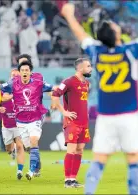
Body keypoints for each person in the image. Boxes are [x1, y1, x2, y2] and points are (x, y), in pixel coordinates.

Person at [60, 1, 138, 194]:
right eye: (113, 25)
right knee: (133, 161)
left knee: (99, 161)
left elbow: (81, 35)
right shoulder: (130, 51)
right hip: (129, 116)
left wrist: (69, 15)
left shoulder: (97, 53)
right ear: (116, 34)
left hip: (105, 118)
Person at [0, 61, 55, 181]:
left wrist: (66, 90)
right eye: (23, 70)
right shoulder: (13, 84)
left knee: (33, 141)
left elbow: (54, 88)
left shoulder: (38, 83)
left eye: (27, 70)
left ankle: (31, 171)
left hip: (34, 119)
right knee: (25, 147)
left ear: (30, 72)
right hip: (19, 122)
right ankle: (26, 161)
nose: (25, 72)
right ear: (19, 73)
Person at [51, 58, 92, 188]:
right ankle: (67, 180)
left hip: (84, 122)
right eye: (88, 66)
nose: (91, 69)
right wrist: (64, 112)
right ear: (80, 68)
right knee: (72, 150)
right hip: (72, 122)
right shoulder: (68, 81)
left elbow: (82, 101)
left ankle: (73, 179)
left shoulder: (86, 83)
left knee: (80, 150)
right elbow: (55, 94)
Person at [0, 69, 26, 180]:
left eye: (17, 76)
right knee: (8, 149)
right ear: (9, 78)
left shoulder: (23, 90)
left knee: (20, 146)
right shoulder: (2, 91)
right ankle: (11, 152)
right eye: (13, 76)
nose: (14, 77)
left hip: (19, 124)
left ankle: (19, 170)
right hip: (6, 125)